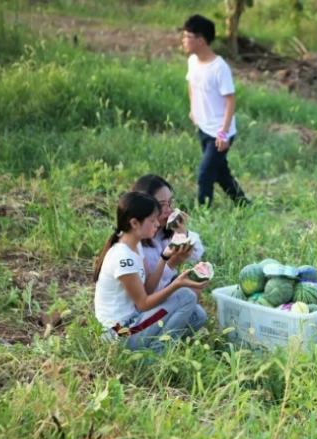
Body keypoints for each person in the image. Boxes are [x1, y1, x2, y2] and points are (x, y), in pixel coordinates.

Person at [93, 191, 208, 353]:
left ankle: (152, 347)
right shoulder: (123, 257)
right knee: (186, 296)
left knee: (198, 316)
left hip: (135, 322)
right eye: (152, 220)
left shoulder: (135, 247)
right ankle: (156, 355)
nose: (157, 224)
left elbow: (148, 289)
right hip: (120, 333)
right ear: (134, 223)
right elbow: (143, 303)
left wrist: (164, 257)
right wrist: (177, 284)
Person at [182, 14, 249, 207]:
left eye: (188, 36)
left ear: (201, 40)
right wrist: (193, 109)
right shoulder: (193, 61)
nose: (183, 40)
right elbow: (191, 84)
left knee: (205, 173)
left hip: (219, 132)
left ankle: (204, 212)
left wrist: (224, 133)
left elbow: (230, 100)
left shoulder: (220, 68)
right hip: (203, 127)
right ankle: (243, 204)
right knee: (220, 172)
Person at [132, 174, 205, 294]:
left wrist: (183, 233)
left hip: (164, 289)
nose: (169, 210)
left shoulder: (165, 230)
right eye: (161, 205)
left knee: (195, 291)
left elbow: (197, 254)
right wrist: (170, 264)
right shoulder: (136, 243)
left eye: (170, 203)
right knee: (190, 294)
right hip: (147, 302)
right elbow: (147, 292)